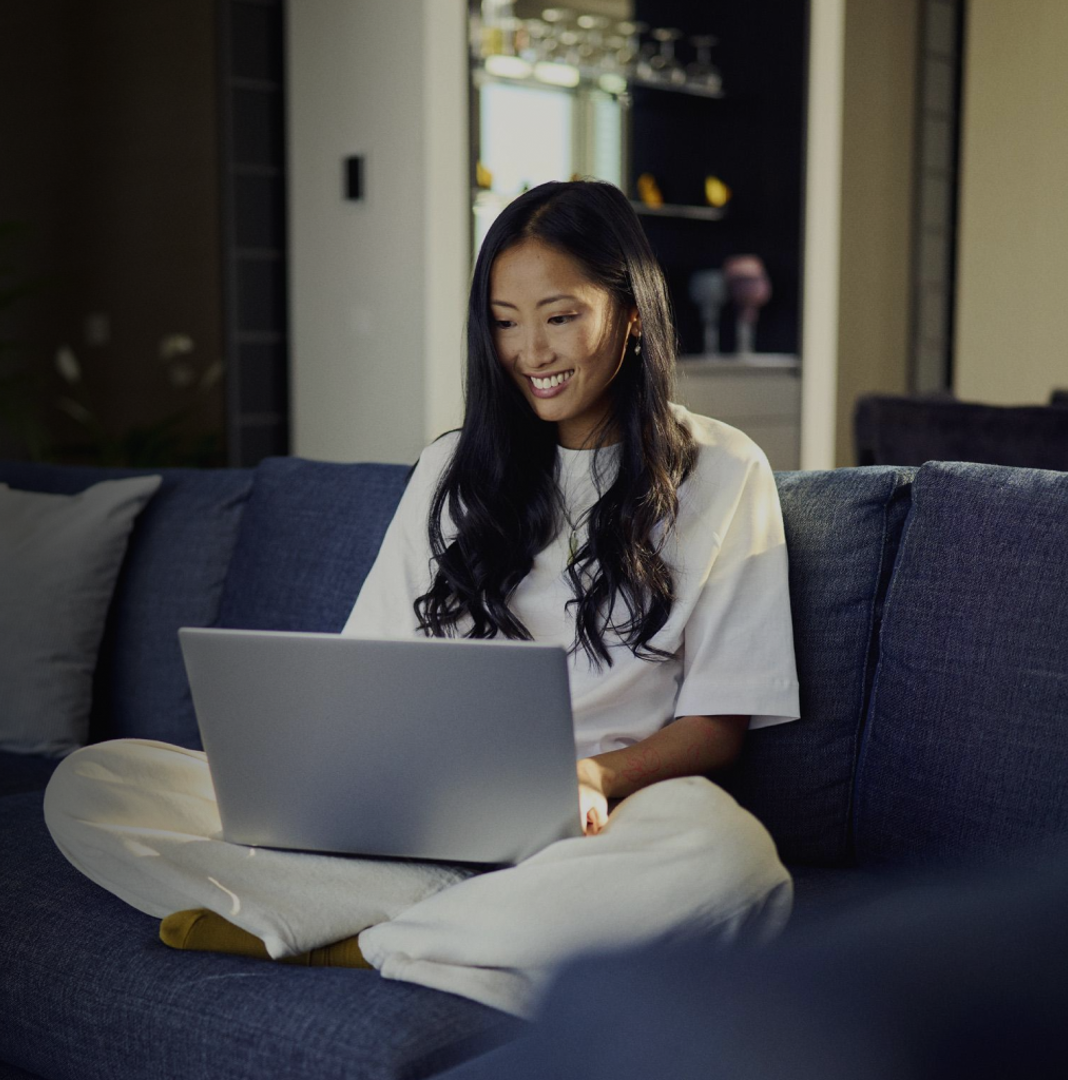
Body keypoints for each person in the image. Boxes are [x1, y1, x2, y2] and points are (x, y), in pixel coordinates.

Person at [44, 179, 801, 1017]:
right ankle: (471, 935)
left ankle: (353, 937)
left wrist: (586, 773)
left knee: (733, 860)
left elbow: (718, 725)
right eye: (506, 323)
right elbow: (366, 670)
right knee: (98, 782)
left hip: (597, 824)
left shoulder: (726, 471)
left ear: (629, 314)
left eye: (559, 316)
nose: (532, 353)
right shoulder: (450, 471)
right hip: (417, 811)